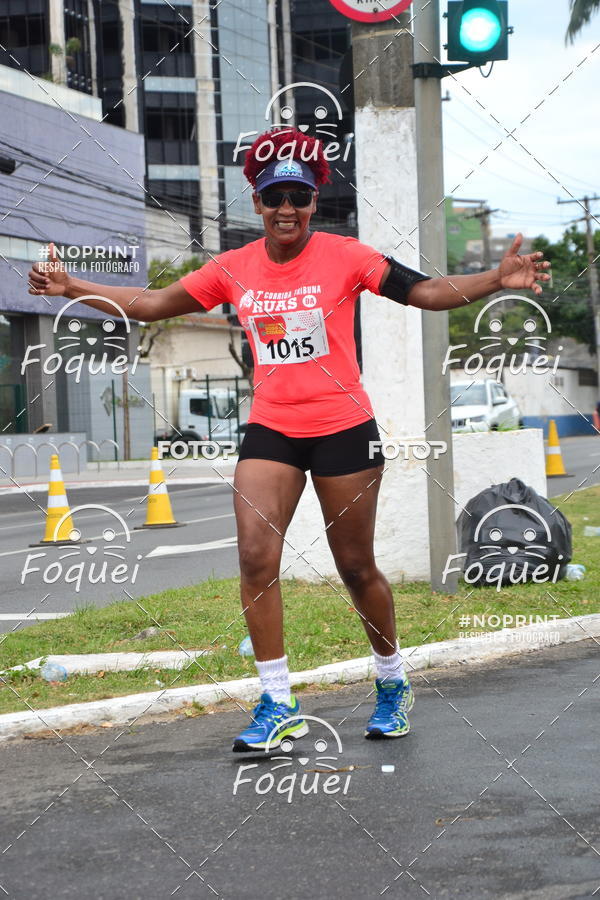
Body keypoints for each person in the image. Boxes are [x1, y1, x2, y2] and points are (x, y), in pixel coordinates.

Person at [28, 129, 551, 753]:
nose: (286, 209)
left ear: (313, 202)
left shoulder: (346, 257)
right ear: (256, 201)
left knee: (355, 567)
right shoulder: (233, 269)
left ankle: (392, 681)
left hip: (343, 429)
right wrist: (70, 288)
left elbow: (426, 294)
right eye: (274, 195)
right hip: (272, 427)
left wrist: (495, 278)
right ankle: (278, 701)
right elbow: (150, 304)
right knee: (255, 558)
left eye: (298, 197)